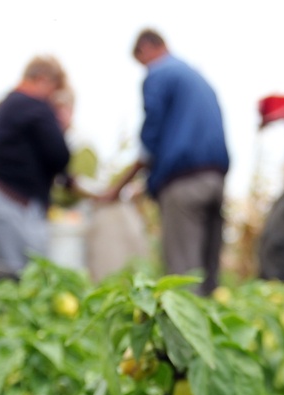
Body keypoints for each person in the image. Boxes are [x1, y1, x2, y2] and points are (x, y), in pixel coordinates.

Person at [100, 29, 230, 295]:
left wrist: (118, 186)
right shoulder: (196, 77)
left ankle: (183, 335)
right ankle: (212, 333)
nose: (144, 68)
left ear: (147, 49)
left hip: (183, 184)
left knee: (183, 277)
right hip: (215, 180)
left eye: (141, 61)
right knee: (208, 277)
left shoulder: (159, 73)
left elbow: (151, 140)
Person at [0, 55, 76, 273]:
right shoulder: (35, 105)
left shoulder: (8, 104)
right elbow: (59, 155)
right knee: (23, 277)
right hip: (6, 202)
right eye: (54, 89)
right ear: (43, 80)